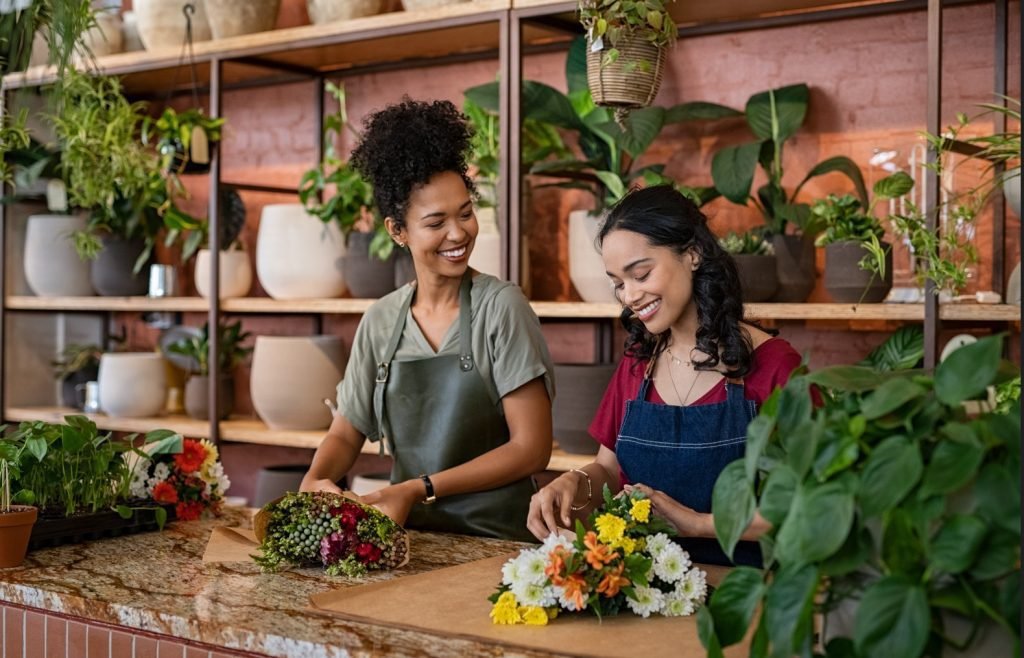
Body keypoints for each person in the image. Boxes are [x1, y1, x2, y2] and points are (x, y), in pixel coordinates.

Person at [300, 99, 554, 543]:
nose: (458, 234)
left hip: (497, 542)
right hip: (412, 540)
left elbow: (531, 449)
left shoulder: (502, 308)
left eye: (465, 213)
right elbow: (346, 432)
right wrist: (315, 481)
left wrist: (418, 489)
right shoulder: (380, 321)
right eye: (436, 222)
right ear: (398, 231)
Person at [526, 185, 803, 566]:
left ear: (692, 253)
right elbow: (608, 467)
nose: (630, 296)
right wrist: (575, 482)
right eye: (619, 283)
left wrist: (699, 524)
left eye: (641, 274)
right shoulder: (639, 364)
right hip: (641, 588)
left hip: (742, 592)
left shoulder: (775, 367)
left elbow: (809, 507)